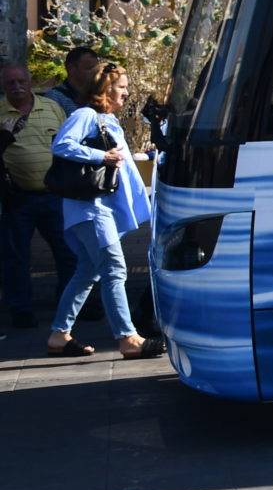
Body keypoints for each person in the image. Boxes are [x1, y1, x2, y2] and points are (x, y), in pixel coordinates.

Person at [45, 62, 159, 360]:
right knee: (114, 270)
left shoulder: (106, 119)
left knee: (88, 271)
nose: (126, 92)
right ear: (105, 89)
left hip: (96, 210)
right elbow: (62, 145)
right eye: (122, 87)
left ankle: (59, 335)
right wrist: (101, 156)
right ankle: (128, 338)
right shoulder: (86, 115)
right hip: (92, 210)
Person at [0, 62, 77, 329]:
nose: (17, 87)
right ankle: (21, 310)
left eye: (21, 81)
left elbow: (68, 142)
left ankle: (70, 304)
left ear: (30, 82)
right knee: (15, 257)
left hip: (54, 195)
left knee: (68, 252)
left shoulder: (51, 107)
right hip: (18, 197)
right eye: (11, 82)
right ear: (3, 86)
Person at [43, 45, 98, 116]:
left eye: (97, 68)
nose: (96, 72)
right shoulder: (54, 98)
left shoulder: (99, 94)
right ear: (71, 68)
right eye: (89, 68)